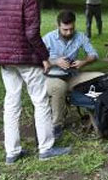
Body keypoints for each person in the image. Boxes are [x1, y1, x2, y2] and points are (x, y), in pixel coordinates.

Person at [0, 0, 71, 164]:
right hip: (26, 59)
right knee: (40, 101)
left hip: (5, 60)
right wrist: (44, 57)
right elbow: (32, 33)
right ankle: (46, 149)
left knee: (11, 102)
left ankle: (12, 152)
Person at [43, 9, 103, 139]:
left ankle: (103, 116)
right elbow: (36, 60)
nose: (69, 32)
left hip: (72, 76)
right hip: (51, 77)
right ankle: (56, 126)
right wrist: (55, 62)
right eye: (65, 29)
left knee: (100, 77)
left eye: (71, 29)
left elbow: (94, 55)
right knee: (59, 87)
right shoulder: (48, 38)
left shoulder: (80, 36)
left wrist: (83, 62)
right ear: (58, 25)